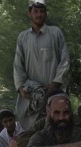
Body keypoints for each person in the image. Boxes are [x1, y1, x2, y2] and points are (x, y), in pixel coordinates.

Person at [13, 0, 69, 130]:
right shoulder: (23, 37)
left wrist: (56, 83)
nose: (39, 15)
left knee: (56, 129)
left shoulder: (55, 33)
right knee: (32, 135)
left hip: (54, 94)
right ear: (29, 13)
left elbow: (65, 61)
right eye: (36, 11)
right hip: (32, 97)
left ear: (46, 13)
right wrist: (21, 88)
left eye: (42, 11)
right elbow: (18, 65)